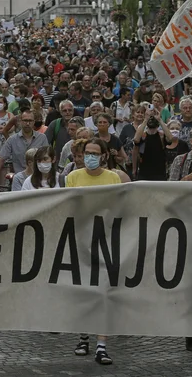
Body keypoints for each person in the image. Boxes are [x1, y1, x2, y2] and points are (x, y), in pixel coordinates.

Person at [65, 137, 120, 365]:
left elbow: (119, 208)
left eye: (95, 153)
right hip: (80, 240)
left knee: (103, 293)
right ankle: (83, 336)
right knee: (84, 292)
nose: (90, 157)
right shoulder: (72, 177)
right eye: (87, 152)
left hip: (106, 241)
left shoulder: (113, 178)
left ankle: (101, 345)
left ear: (104, 156)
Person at [0, 109, 49, 188]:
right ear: (20, 121)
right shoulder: (12, 140)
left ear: (34, 122)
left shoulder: (42, 138)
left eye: (30, 121)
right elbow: (1, 159)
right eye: (25, 120)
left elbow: (47, 158)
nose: (27, 123)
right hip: (19, 180)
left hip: (39, 179)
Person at [132, 107, 175, 181]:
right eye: (150, 119)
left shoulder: (161, 136)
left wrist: (160, 119)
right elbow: (136, 139)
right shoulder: (143, 136)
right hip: (144, 173)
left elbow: (171, 138)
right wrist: (145, 119)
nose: (152, 120)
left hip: (160, 174)